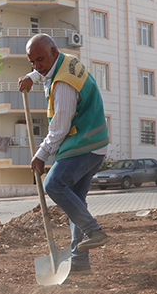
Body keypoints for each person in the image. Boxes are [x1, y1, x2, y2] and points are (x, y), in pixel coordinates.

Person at [18, 34, 110, 277]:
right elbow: (47, 70)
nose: (37, 65)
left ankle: (94, 230)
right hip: (94, 142)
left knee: (54, 184)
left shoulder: (63, 86)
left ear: (53, 52)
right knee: (75, 206)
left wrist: (40, 155)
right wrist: (32, 77)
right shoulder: (67, 61)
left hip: (83, 143)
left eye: (40, 60)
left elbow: (58, 128)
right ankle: (80, 265)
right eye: (32, 62)